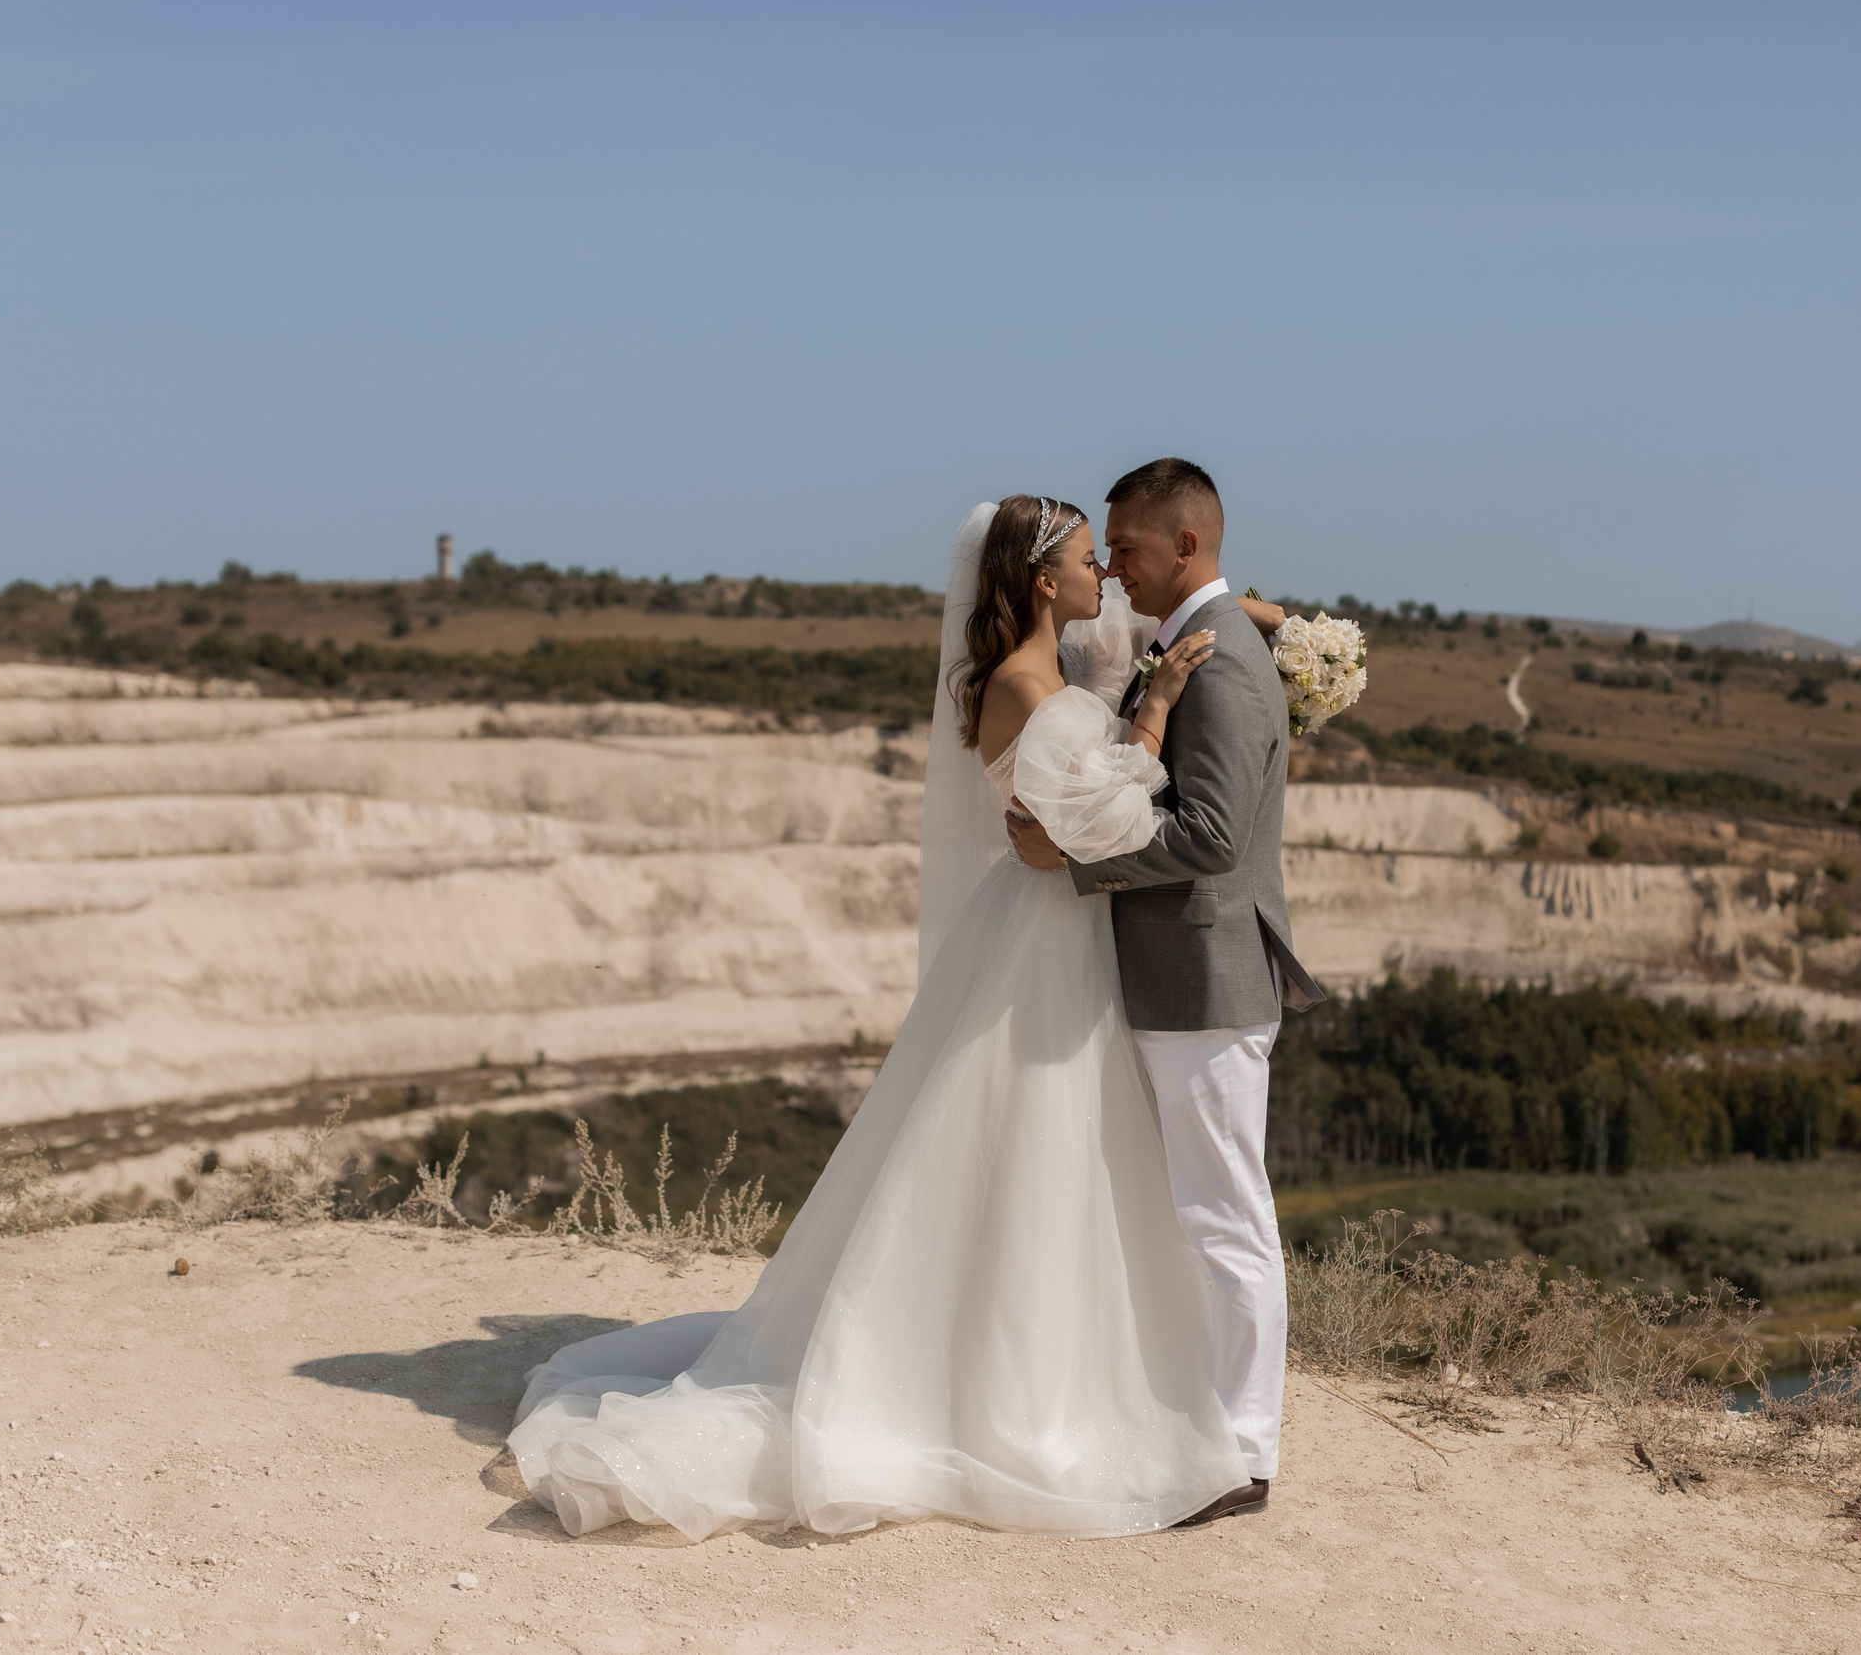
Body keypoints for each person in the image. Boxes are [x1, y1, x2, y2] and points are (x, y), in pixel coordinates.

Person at [506, 492, 1280, 1541]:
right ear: (1043, 580)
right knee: (1033, 1150)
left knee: (1063, 1157)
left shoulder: (1052, 663)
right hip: (1047, 933)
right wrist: (1157, 708)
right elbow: (1103, 813)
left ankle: (1052, 1366)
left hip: (1055, 929)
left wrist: (1250, 621)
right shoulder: (1025, 685)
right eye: (1088, 560)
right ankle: (1009, 1390)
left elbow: (1149, 628)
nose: (1105, 576)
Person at [1009, 457, 1324, 1524]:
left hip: (1205, 973)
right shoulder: (1204, 636)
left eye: (1129, 548)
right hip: (1178, 970)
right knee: (1190, 1212)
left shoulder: (1220, 661)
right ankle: (1197, 1426)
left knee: (1224, 1215)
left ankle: (1244, 1454)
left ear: (1185, 545)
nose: (1117, 569)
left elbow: (1212, 835)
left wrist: (1078, 857)